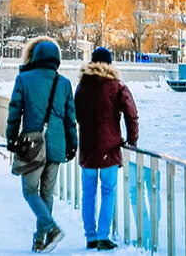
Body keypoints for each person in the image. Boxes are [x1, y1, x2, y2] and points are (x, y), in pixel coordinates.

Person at [6, 36, 77, 253]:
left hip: (32, 145)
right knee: (46, 193)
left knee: (29, 191)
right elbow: (69, 118)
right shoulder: (64, 83)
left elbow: (14, 111)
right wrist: (72, 144)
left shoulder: (24, 79)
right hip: (56, 144)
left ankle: (51, 229)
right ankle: (40, 240)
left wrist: (11, 137)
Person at [75, 47, 139, 251]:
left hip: (87, 146)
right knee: (108, 191)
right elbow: (131, 115)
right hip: (110, 147)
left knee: (88, 192)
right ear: (110, 64)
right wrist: (132, 140)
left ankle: (90, 236)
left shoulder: (82, 85)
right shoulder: (117, 86)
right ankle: (103, 235)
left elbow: (75, 112)